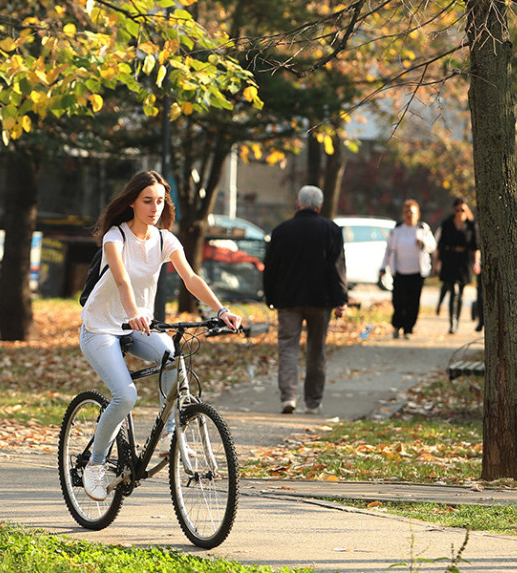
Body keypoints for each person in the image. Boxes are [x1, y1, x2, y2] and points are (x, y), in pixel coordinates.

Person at [79, 170, 241, 501]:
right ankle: (94, 465)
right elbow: (122, 280)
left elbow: (191, 278)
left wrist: (221, 310)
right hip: (101, 326)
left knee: (171, 355)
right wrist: (135, 311)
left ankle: (169, 434)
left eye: (160, 201)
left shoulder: (166, 239)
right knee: (125, 396)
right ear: (132, 203)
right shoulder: (116, 237)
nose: (154, 208)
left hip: (141, 325)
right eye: (147, 201)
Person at [263, 185, 348, 416]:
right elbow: (337, 267)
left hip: (288, 299)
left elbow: (271, 268)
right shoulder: (331, 230)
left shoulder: (281, 231)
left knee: (288, 347)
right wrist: (341, 299)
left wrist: (270, 297)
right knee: (316, 350)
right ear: (319, 206)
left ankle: (288, 397)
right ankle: (313, 401)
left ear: (298, 204)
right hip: (321, 300)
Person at [379, 199, 436, 340]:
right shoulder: (397, 230)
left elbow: (432, 246)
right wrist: (383, 267)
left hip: (417, 272)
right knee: (399, 301)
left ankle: (408, 328)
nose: (409, 215)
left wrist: (423, 243)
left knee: (413, 301)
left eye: (412, 212)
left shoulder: (422, 229)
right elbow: (388, 250)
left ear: (418, 214)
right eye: (407, 212)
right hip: (399, 272)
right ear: (403, 214)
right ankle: (397, 325)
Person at [432, 198, 480, 334]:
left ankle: (457, 319)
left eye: (462, 210)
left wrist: (477, 263)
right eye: (457, 210)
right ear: (454, 210)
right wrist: (436, 264)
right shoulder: (447, 224)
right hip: (449, 259)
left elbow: (476, 247)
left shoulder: (471, 225)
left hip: (465, 261)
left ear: (466, 210)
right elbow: (440, 246)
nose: (460, 213)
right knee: (454, 290)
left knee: (461, 292)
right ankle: (452, 322)